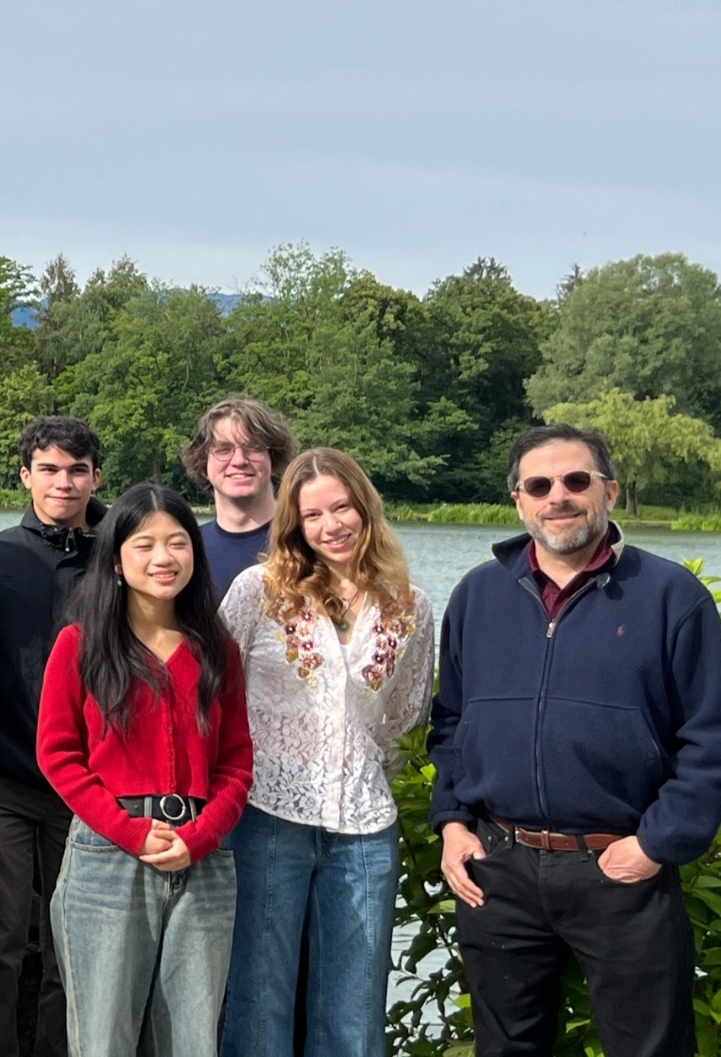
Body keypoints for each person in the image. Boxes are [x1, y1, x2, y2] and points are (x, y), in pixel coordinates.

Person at [429, 424, 721, 1056]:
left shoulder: (671, 596)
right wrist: (451, 821)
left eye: (577, 481)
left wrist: (658, 843)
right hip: (499, 868)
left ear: (609, 491)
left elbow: (715, 737)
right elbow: (452, 722)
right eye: (539, 485)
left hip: (621, 872)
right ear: (518, 500)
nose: (559, 496)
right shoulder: (477, 596)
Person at [217, 448, 434, 1057]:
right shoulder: (258, 591)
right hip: (267, 814)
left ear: (366, 510)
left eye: (343, 508)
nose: (331, 525)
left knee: (355, 1010)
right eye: (314, 515)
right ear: (295, 524)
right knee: (260, 1002)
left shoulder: (409, 606)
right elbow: (215, 691)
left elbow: (404, 716)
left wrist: (358, 764)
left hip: (365, 830)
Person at [37, 482, 251, 1057]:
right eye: (144, 545)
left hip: (202, 860)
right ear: (115, 559)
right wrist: (130, 830)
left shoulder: (217, 649)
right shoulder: (80, 645)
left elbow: (236, 763)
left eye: (178, 543)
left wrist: (200, 837)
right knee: (102, 1040)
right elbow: (58, 757)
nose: (163, 558)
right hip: (107, 858)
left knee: (193, 1042)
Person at [0, 416, 105, 1057]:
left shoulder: (119, 556)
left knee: (71, 947)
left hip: (92, 785)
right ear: (25, 476)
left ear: (96, 477)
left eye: (77, 470)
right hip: (7, 777)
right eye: (48, 469)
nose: (63, 483)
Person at [180, 397, 297, 595]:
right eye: (223, 450)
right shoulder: (189, 551)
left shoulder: (306, 537)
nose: (239, 460)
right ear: (203, 466)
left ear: (273, 459)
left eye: (253, 448)